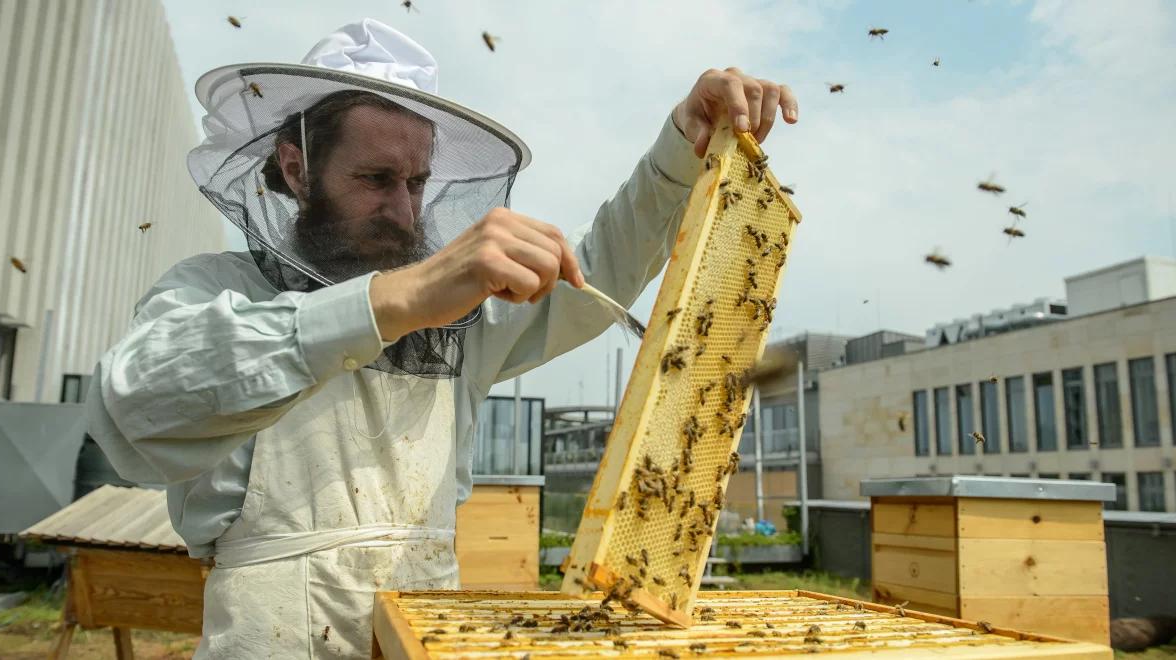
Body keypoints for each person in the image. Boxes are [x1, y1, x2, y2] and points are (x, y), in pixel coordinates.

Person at [87, 18, 797, 658]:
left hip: (425, 630)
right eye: (375, 178)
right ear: (298, 168)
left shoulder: (459, 322)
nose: (402, 209)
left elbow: (598, 268)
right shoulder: (215, 292)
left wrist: (680, 147)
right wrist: (403, 296)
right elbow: (133, 406)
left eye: (417, 182)